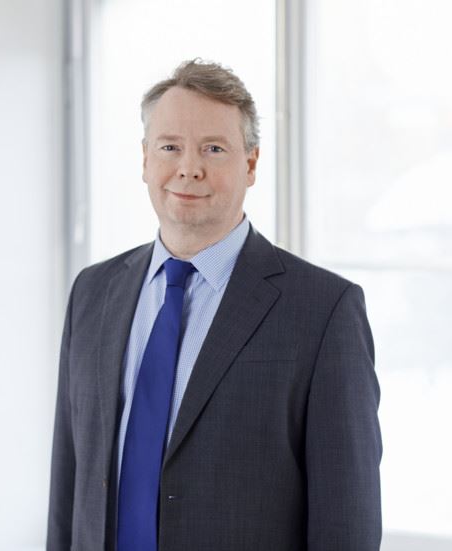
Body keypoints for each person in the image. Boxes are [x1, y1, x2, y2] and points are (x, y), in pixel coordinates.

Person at [47, 59, 382, 551]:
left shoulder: (324, 311)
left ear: (251, 164)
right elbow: (68, 483)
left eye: (213, 148)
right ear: (145, 160)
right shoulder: (92, 292)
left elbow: (346, 522)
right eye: (170, 147)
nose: (189, 168)